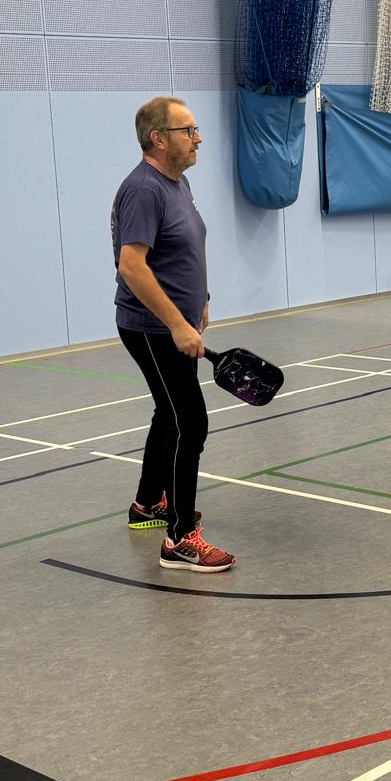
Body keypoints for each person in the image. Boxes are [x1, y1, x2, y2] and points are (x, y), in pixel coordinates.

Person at [110, 96, 235, 572]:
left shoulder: (177, 183)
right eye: (188, 130)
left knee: (169, 414)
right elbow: (132, 266)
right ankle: (180, 539)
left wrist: (200, 298)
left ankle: (147, 504)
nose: (198, 138)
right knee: (190, 422)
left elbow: (182, 249)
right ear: (158, 139)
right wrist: (177, 324)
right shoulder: (144, 190)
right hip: (151, 328)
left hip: (174, 322)